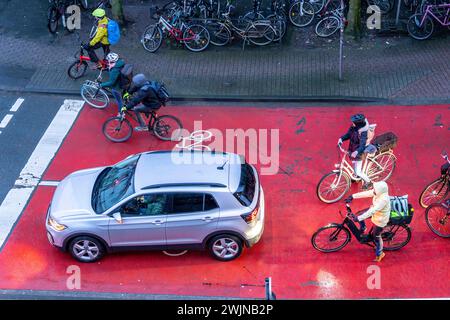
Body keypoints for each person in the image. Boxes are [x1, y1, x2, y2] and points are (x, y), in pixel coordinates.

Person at [345, 181, 391, 262]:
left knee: (376, 236)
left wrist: (359, 218)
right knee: (359, 214)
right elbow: (367, 193)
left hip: (380, 219)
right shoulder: (378, 192)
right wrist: (353, 196)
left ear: (379, 190)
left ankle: (380, 253)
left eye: (375, 189)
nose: (373, 190)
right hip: (375, 211)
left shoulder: (383, 200)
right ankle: (363, 228)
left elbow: (372, 211)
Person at [338, 113, 374, 190]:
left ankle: (369, 182)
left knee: (358, 171)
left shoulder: (363, 132)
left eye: (354, 122)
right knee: (354, 163)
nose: (352, 123)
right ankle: (356, 176)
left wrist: (357, 152)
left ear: (358, 124)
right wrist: (341, 139)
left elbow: (362, 145)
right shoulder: (354, 127)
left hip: (359, 153)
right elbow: (348, 134)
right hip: (352, 149)